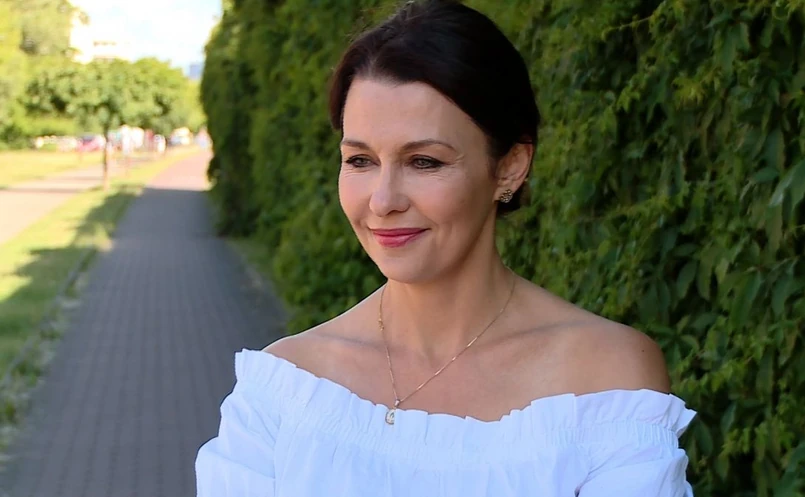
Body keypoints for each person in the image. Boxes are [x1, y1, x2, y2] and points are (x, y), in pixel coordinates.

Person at [195, 1, 697, 495]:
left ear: (510, 167)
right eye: (361, 161)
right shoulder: (284, 393)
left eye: (425, 162)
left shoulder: (608, 380)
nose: (383, 201)